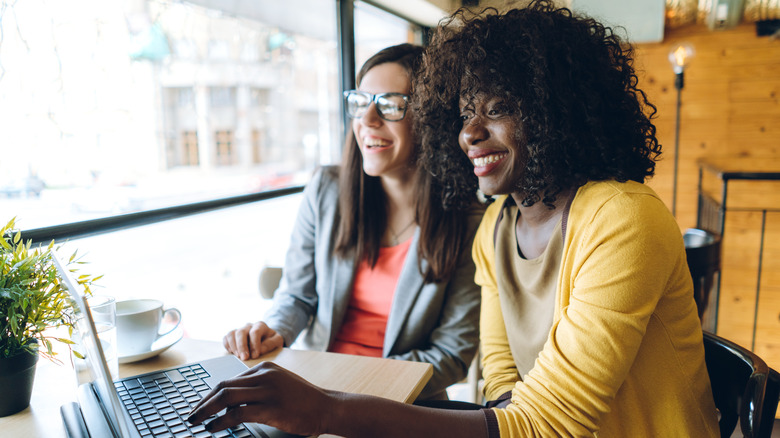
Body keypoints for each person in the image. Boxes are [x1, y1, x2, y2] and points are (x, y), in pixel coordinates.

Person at [187, 3, 720, 436]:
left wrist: (330, 411)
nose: (469, 132)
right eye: (465, 113)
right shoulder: (495, 230)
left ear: (555, 110)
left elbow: (549, 421)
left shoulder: (621, 218)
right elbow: (506, 390)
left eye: (498, 108)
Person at [221, 43, 482, 401]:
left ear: (431, 119)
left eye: (390, 105)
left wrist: (350, 388)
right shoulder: (325, 190)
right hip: (312, 386)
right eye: (360, 102)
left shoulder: (469, 220)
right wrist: (273, 330)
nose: (368, 120)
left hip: (400, 404)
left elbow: (452, 354)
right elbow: (297, 296)